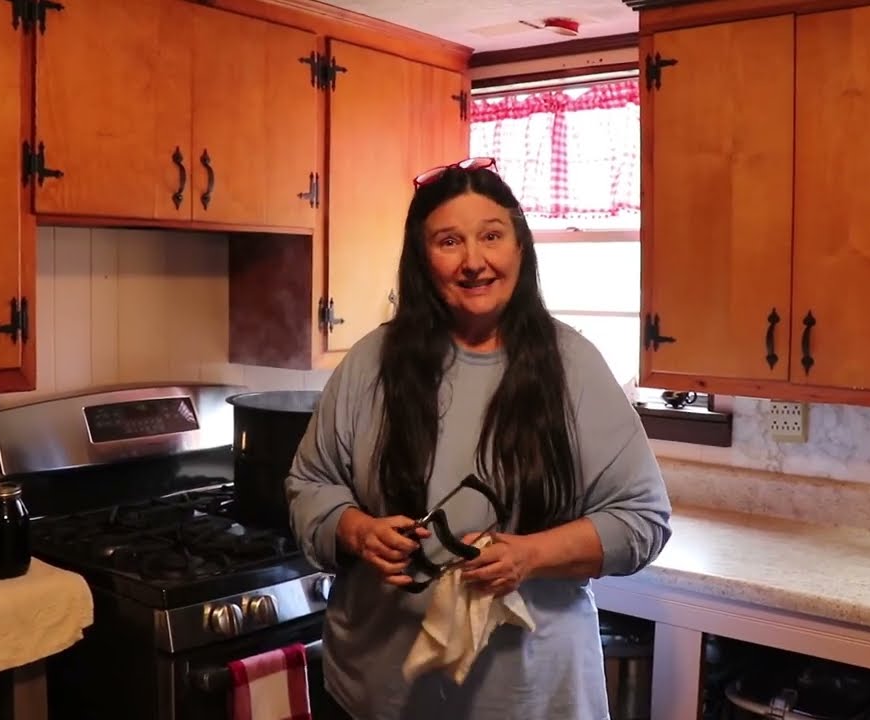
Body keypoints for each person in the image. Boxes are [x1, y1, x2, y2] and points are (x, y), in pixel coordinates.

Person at [286, 156, 672, 720]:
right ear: (422, 259)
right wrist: (356, 530)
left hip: (531, 699)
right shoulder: (370, 363)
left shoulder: (574, 367)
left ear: (519, 247)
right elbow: (308, 485)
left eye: (491, 236)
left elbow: (643, 519)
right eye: (448, 241)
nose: (474, 261)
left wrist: (530, 556)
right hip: (377, 694)